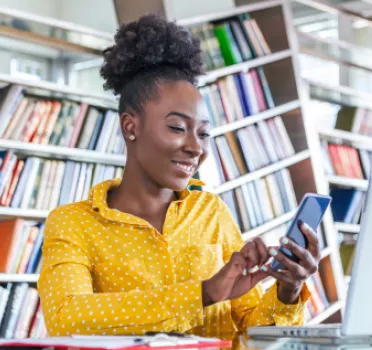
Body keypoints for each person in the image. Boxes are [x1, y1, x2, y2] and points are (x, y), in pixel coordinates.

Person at [38, 14, 320, 338]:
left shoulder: (211, 213)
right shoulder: (73, 224)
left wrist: (289, 289)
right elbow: (68, 318)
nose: (195, 148)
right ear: (130, 127)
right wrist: (204, 293)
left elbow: (253, 333)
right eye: (177, 128)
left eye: (203, 134)